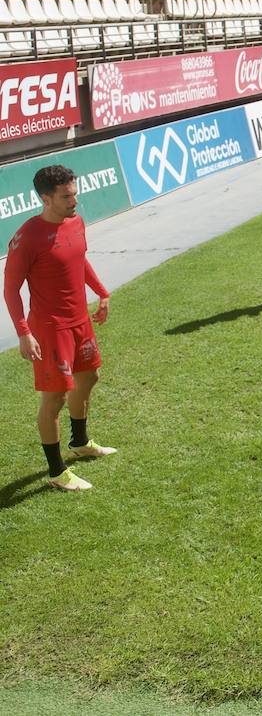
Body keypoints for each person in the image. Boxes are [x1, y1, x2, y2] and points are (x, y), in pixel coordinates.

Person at [4, 165, 115, 491]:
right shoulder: (27, 238)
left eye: (74, 193)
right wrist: (24, 332)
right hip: (51, 329)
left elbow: (78, 259)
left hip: (80, 320)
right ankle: (56, 472)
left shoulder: (75, 222)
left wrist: (101, 291)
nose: (74, 201)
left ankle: (80, 442)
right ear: (46, 198)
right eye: (67, 196)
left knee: (90, 376)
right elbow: (11, 289)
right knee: (55, 399)